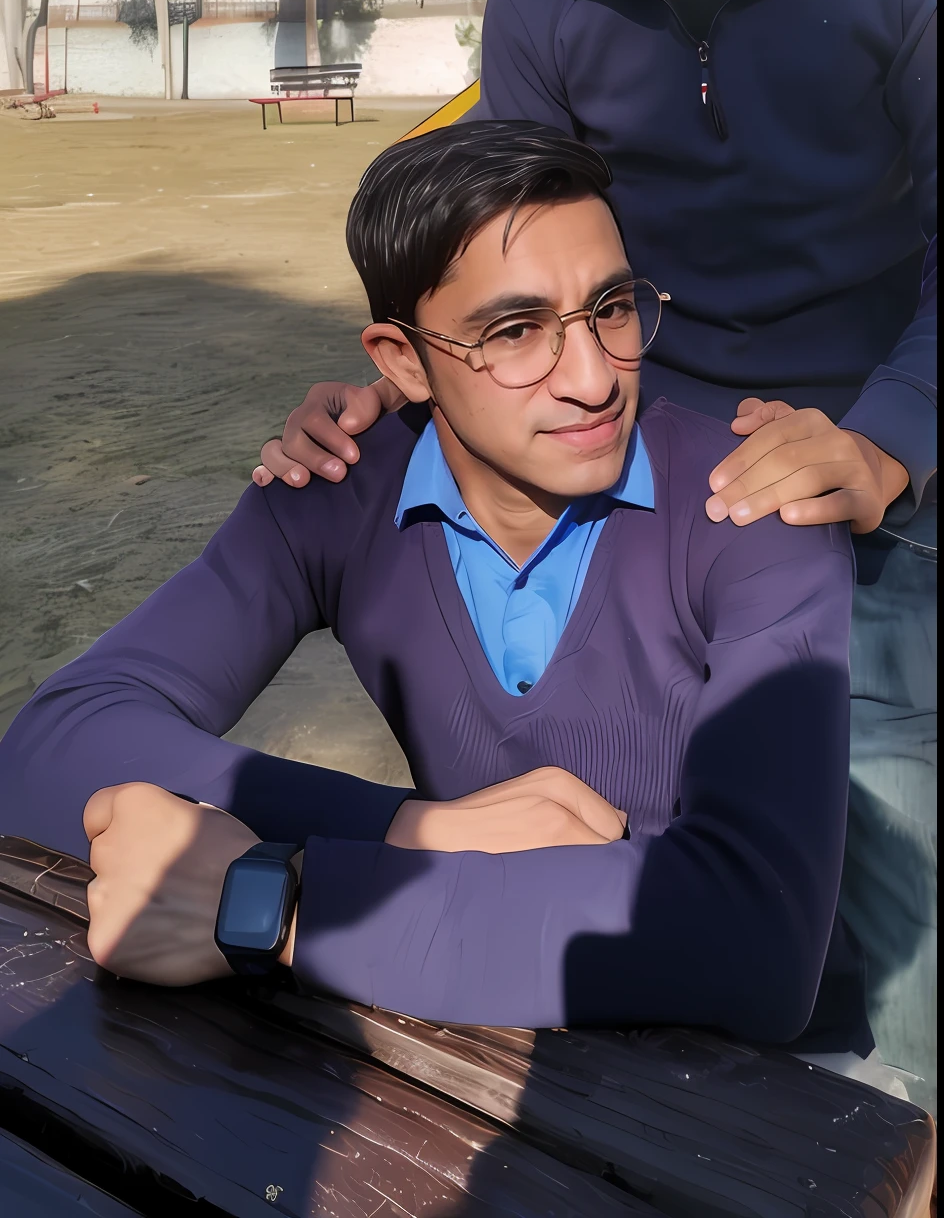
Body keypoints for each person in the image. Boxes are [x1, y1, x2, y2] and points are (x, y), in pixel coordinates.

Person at [252, 0, 937, 1109]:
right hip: (639, 546)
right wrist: (401, 394)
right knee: (620, 1005)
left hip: (884, 539)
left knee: (883, 1035)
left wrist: (878, 441)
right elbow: (512, 270)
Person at [0, 122, 875, 1068]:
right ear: (403, 361)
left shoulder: (753, 507)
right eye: (515, 331)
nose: (593, 380)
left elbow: (758, 942)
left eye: (612, 308)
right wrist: (420, 828)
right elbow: (53, 743)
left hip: (774, 1094)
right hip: (477, 1028)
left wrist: (285, 903)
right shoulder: (336, 496)